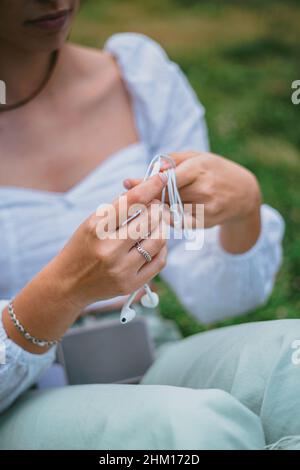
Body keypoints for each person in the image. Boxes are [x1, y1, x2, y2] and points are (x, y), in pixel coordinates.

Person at [0, 0, 299, 450]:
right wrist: (64, 288)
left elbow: (215, 295)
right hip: (20, 396)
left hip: (147, 346)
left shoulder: (140, 81)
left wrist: (242, 210)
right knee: (189, 430)